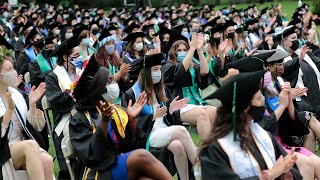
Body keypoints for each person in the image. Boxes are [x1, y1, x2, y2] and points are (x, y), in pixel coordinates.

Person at [69, 55, 172, 180]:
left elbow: (132, 147)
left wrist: (132, 120)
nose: (114, 84)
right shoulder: (79, 119)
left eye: (113, 80)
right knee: (142, 156)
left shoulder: (116, 111)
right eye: (109, 81)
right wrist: (104, 124)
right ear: (97, 88)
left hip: (118, 164)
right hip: (99, 173)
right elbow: (92, 157)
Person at [200, 70, 302, 180]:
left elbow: (290, 171)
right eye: (258, 99)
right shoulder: (215, 150)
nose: (262, 102)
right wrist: (270, 175)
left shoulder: (264, 136)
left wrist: (286, 172)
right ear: (245, 108)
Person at [122, 53, 197, 179]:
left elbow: (166, 120)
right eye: (155, 70)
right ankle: (200, 164)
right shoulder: (132, 94)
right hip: (147, 135)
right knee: (181, 130)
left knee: (178, 146)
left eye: (160, 69)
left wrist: (171, 110)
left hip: (162, 131)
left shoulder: (161, 90)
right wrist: (152, 117)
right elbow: (129, 124)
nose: (159, 73)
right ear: (146, 73)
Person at [0, 57, 53, 180]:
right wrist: (9, 112)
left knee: (47, 159)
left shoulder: (17, 94)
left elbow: (36, 127)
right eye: (9, 69)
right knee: (30, 145)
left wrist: (32, 105)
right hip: (5, 148)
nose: (14, 72)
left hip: (23, 143)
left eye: (13, 68)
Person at [162, 33, 217, 141]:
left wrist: (199, 50)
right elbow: (180, 71)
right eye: (179, 50)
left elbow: (204, 72)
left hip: (196, 102)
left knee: (214, 110)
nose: (182, 52)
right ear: (173, 52)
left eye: (184, 50)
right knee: (201, 114)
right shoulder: (167, 66)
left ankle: (216, 143)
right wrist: (191, 49)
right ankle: (209, 148)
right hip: (179, 106)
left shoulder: (192, 66)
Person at [45, 34, 81, 180]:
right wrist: (72, 93)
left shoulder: (80, 72)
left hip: (84, 112)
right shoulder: (53, 76)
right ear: (66, 57)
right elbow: (56, 101)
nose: (79, 58)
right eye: (76, 55)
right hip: (66, 118)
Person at [95, 30, 131, 99]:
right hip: (105, 98)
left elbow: (125, 83)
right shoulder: (97, 62)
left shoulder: (117, 60)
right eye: (108, 44)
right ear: (102, 47)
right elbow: (103, 84)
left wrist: (123, 76)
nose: (111, 46)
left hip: (119, 97)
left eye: (112, 43)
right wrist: (120, 73)